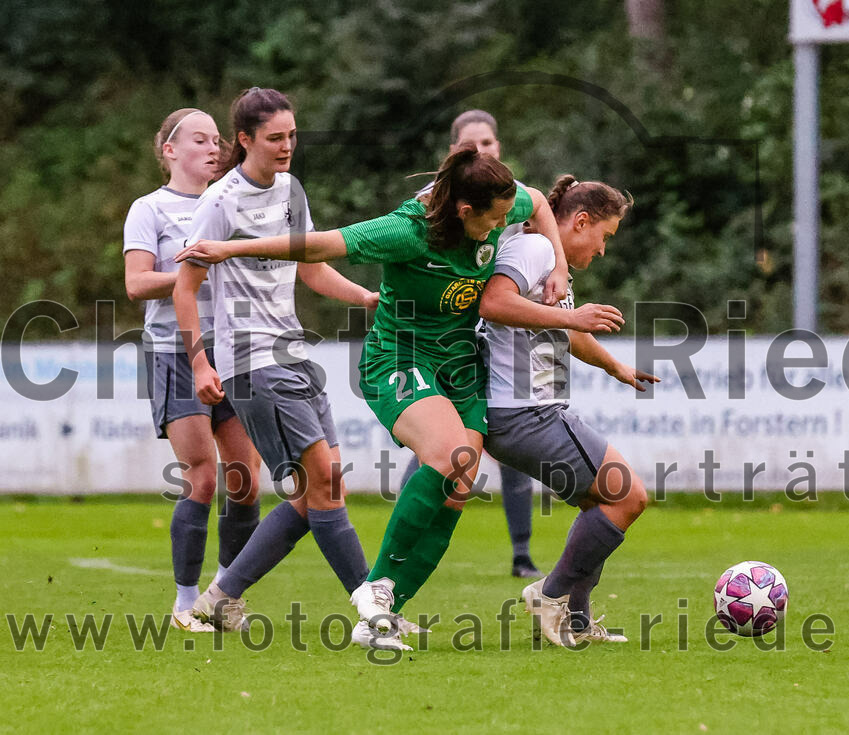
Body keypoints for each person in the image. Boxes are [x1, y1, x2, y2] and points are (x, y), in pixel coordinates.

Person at [175, 146, 600, 642]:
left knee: (460, 484)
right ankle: (374, 590)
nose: (506, 225)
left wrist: (559, 270)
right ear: (464, 210)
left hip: (460, 364)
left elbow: (541, 205)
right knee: (447, 457)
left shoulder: (505, 203)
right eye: (497, 220)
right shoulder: (407, 230)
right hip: (401, 358)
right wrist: (228, 249)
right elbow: (315, 246)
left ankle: (386, 610)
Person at [172, 88, 383, 645]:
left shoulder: (291, 189)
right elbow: (185, 289)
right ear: (244, 140)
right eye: (275, 138)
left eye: (292, 135)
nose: (288, 146)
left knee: (313, 492)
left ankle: (222, 595)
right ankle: (372, 610)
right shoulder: (219, 202)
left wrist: (364, 297)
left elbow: (308, 265)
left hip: (294, 351)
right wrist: (199, 363)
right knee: (327, 484)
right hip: (251, 361)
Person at [478, 175, 657, 647]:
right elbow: (493, 302)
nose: (602, 250)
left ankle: (576, 621)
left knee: (600, 502)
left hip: (525, 411)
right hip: (526, 411)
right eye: (605, 237)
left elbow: (571, 335)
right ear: (581, 221)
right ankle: (551, 595)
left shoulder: (548, 259)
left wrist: (615, 366)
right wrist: (570, 317)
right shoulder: (535, 249)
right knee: (629, 495)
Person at [123, 108, 261, 633]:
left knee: (245, 479)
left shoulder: (229, 204)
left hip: (232, 351)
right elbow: (137, 283)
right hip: (174, 351)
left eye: (215, 140)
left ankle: (222, 595)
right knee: (202, 477)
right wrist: (194, 264)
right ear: (169, 151)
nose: (212, 147)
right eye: (198, 140)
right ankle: (184, 603)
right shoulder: (149, 209)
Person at [399, 109, 542, 579]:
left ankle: (521, 553)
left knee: (511, 446)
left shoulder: (513, 202)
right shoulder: (435, 211)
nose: (482, 151)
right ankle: (406, 543)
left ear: (500, 146)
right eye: (471, 145)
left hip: (503, 341)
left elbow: (538, 214)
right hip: (452, 342)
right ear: (454, 154)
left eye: (489, 143)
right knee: (437, 454)